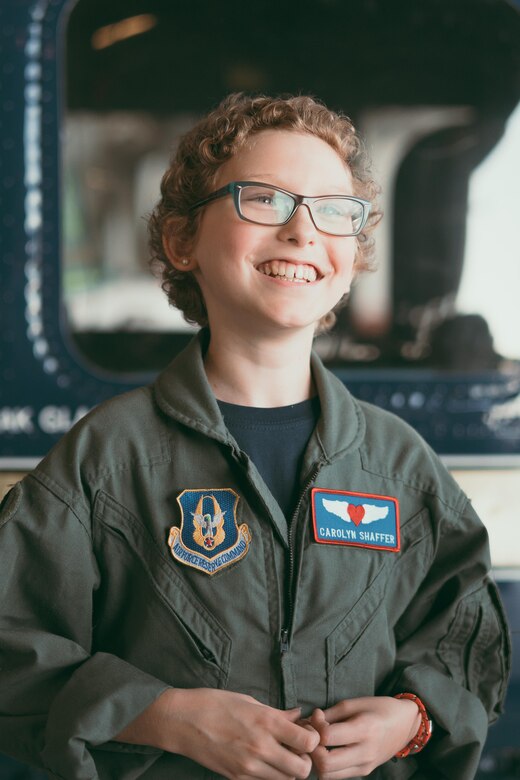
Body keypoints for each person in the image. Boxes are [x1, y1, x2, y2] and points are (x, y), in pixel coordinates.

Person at [0, 93, 510, 780]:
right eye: (264, 200)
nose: (303, 232)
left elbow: (463, 643)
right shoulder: (105, 460)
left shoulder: (400, 466)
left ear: (353, 253)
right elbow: (11, 653)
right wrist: (160, 715)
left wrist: (412, 718)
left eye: (333, 209)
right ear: (182, 240)